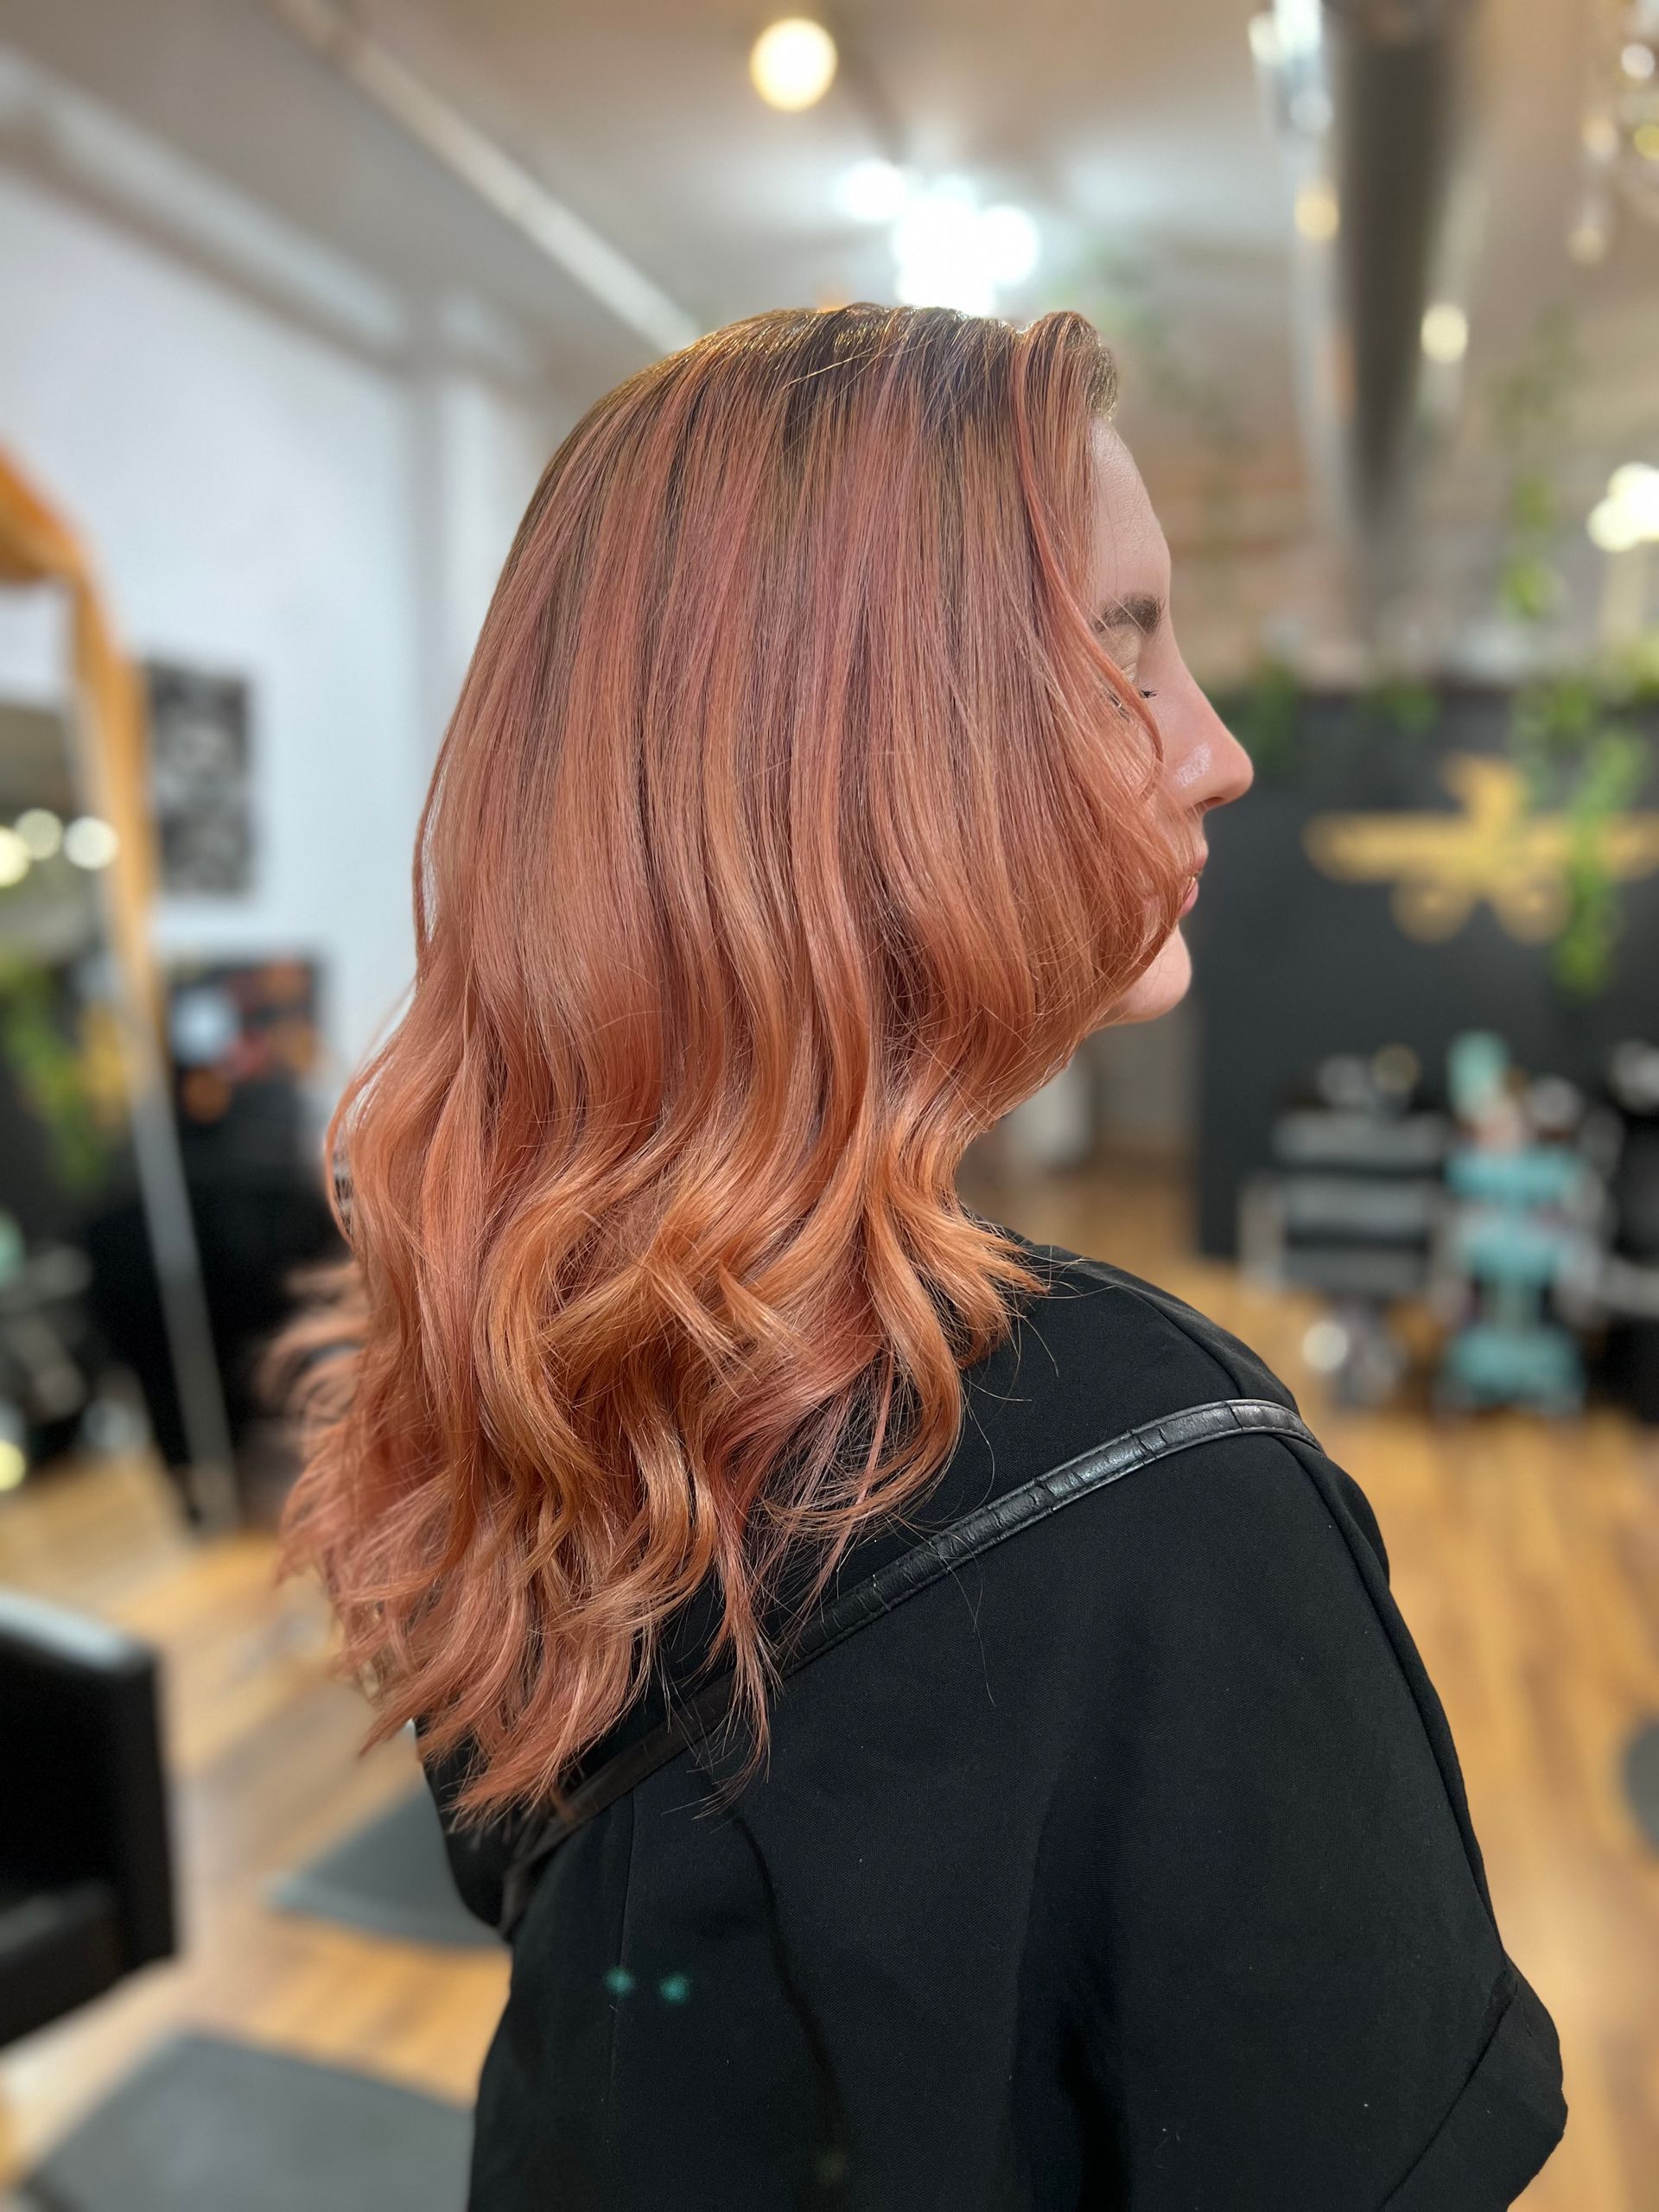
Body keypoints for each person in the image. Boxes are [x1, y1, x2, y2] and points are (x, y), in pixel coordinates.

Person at [264, 303, 1567, 2209]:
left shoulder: (524, 1348)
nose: (1210, 751)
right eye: (1123, 645)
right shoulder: (1168, 1486)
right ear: (860, 751)